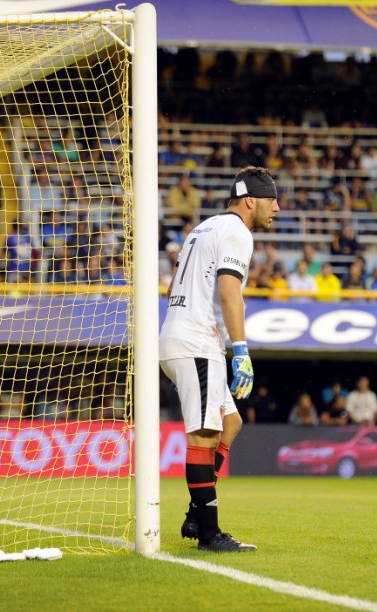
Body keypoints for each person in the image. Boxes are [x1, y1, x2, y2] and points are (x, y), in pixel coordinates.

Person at [159, 166, 278, 553]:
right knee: (203, 436)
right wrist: (240, 349)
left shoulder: (205, 228)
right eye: (271, 199)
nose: (276, 207)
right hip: (196, 342)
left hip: (181, 335)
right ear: (250, 201)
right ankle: (209, 534)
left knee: (231, 422)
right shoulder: (237, 233)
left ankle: (197, 512)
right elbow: (230, 293)